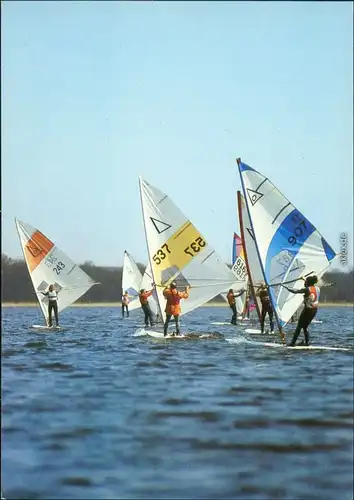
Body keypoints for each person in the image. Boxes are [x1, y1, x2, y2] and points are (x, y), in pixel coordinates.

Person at [283, 275, 320, 346]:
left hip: (307, 311)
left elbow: (295, 291)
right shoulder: (317, 288)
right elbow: (310, 286)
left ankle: (292, 343)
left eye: (306, 282)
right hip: (314, 310)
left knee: (299, 327)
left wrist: (286, 287)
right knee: (305, 327)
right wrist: (304, 279)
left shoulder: (306, 289)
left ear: (308, 282)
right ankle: (307, 343)